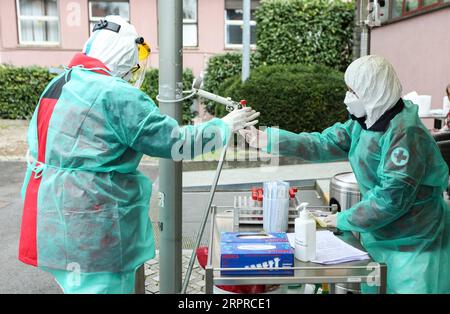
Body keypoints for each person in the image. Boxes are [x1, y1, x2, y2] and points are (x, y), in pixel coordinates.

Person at [18, 15, 259, 294]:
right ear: (124, 53)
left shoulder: (61, 82)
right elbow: (174, 142)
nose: (134, 67)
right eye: (134, 58)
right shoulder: (116, 94)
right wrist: (224, 126)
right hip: (93, 229)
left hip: (51, 221)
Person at [241, 55, 450, 294]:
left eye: (353, 92)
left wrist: (343, 219)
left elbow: (391, 199)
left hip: (416, 243)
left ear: (374, 92)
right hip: (381, 235)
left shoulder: (405, 133)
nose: (346, 98)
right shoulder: (366, 122)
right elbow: (323, 143)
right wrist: (271, 140)